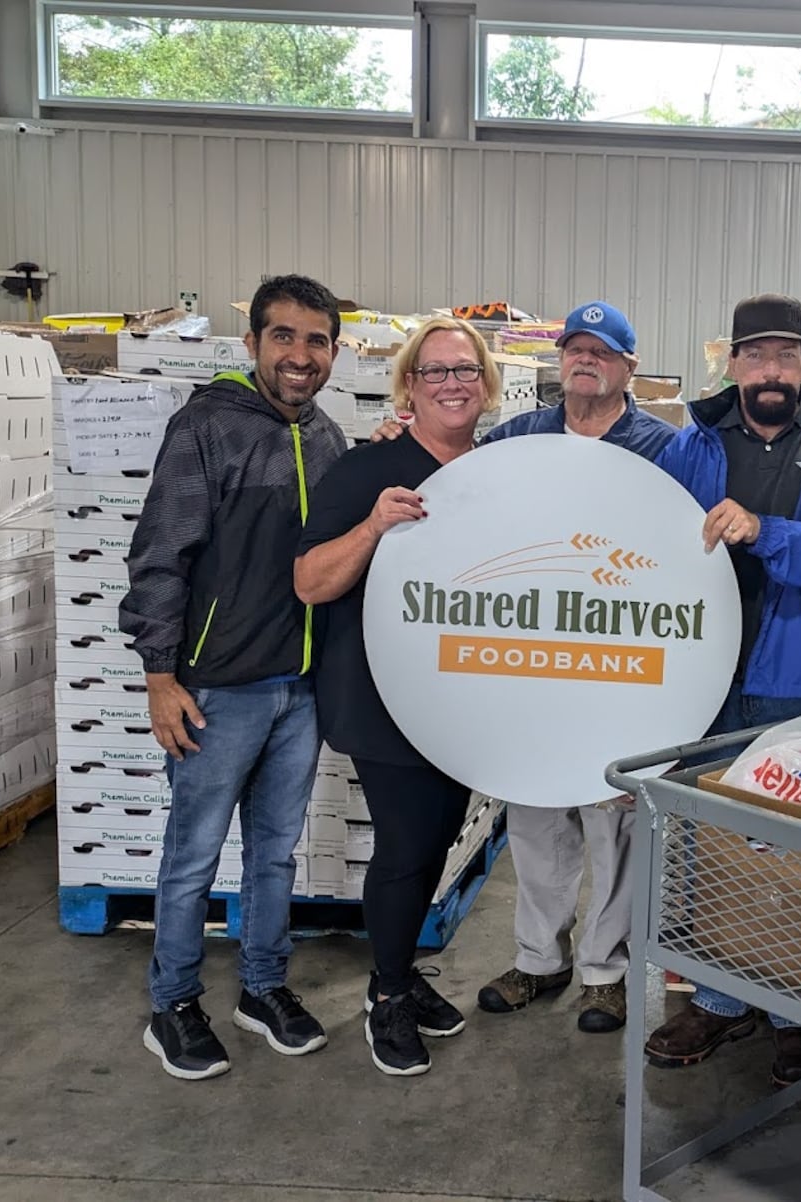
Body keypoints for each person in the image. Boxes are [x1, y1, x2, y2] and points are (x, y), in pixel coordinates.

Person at [372, 300, 677, 1036]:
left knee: (614, 827)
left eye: (602, 352)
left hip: (618, 664)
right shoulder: (518, 437)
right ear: (559, 361)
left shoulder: (665, 448)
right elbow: (456, 496)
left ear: (628, 367)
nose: (585, 361)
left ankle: (606, 970)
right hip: (535, 671)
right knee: (538, 819)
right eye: (575, 348)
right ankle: (540, 959)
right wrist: (392, 434)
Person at [120, 274, 350, 1080]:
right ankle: (173, 1004)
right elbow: (158, 556)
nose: (300, 355)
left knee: (275, 854)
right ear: (251, 345)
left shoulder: (328, 437)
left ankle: (262, 988)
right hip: (218, 689)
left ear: (333, 352)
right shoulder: (206, 429)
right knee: (191, 856)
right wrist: (159, 676)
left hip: (299, 688)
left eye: (316, 340)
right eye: (283, 336)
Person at [645, 293, 801, 1087]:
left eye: (786, 355)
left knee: (795, 856)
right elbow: (640, 530)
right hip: (702, 679)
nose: (771, 370)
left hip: (798, 682)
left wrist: (763, 530)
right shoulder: (693, 443)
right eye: (757, 355)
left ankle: (793, 1011)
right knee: (708, 849)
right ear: (733, 363)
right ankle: (716, 999)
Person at [294, 316, 501, 1075]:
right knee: (407, 847)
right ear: (409, 384)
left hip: (461, 699)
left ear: (487, 385)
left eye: (466, 371)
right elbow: (310, 582)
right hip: (384, 699)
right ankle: (386, 995)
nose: (452, 383)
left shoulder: (492, 471)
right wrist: (376, 525)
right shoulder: (367, 469)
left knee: (437, 842)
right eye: (436, 371)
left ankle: (403, 976)